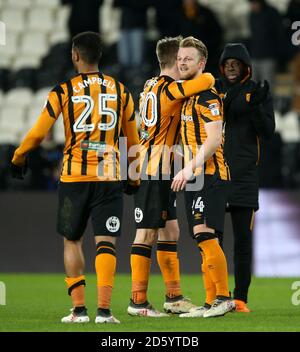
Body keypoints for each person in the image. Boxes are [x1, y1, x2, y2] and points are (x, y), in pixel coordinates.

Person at [10, 32, 140, 324]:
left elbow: (37, 134)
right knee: (106, 241)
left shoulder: (63, 90)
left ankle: (79, 311)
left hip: (74, 177)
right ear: (100, 55)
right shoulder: (121, 91)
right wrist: (134, 179)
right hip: (108, 175)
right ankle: (104, 312)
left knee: (72, 241)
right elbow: (133, 142)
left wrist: (18, 157)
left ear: (75, 55)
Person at [127, 36, 215, 317]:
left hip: (160, 169)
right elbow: (206, 82)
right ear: (174, 60)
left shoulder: (149, 85)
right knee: (146, 233)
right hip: (153, 169)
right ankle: (137, 301)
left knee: (171, 230)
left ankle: (173, 296)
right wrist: (204, 70)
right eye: (182, 58)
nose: (184, 62)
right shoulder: (169, 90)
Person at [171, 36, 235, 318]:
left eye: (188, 58)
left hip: (211, 175)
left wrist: (189, 167)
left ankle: (223, 297)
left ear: (202, 63)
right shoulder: (188, 97)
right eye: (180, 58)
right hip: (196, 177)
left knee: (205, 234)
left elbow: (213, 139)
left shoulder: (208, 97)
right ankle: (211, 301)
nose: (182, 62)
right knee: (202, 239)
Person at [215, 43, 275, 312]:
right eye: (226, 63)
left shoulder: (256, 93)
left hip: (244, 178)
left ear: (245, 67)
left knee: (242, 243)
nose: (230, 67)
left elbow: (268, 132)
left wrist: (257, 106)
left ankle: (240, 299)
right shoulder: (212, 90)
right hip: (214, 175)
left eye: (235, 63)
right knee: (210, 241)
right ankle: (215, 295)